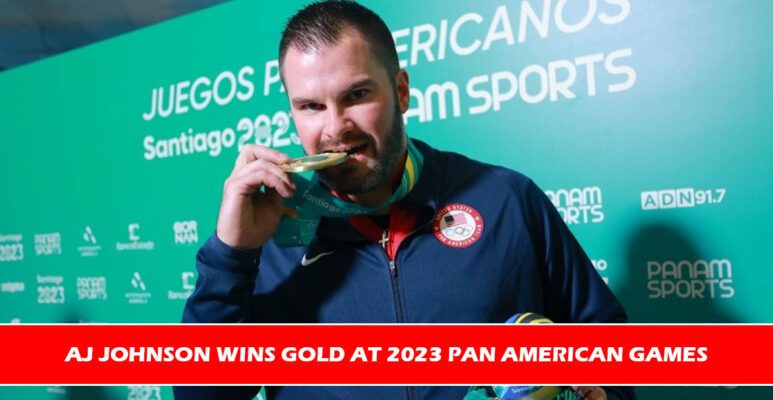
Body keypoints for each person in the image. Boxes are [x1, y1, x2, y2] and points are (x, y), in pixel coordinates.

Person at [175, 1, 634, 399]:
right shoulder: (268, 239)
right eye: (311, 106)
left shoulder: (507, 199)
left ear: (400, 91)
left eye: (356, 95)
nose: (335, 128)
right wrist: (230, 256)